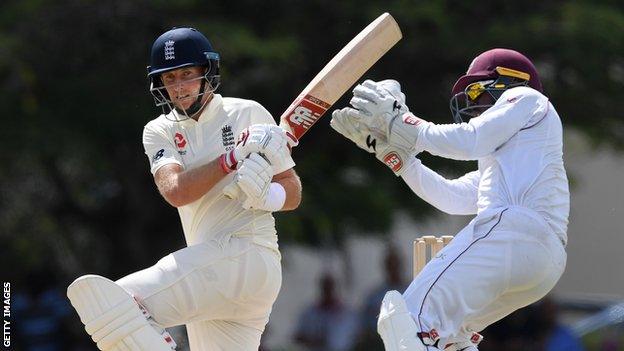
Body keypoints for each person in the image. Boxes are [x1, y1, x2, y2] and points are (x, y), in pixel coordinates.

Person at [66, 27, 302, 351]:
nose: (179, 87)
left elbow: (292, 190)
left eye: (187, 74)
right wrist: (232, 158)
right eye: (170, 78)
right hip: (214, 274)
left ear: (207, 72)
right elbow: (175, 191)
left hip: (248, 254)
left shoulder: (247, 112)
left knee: (113, 306)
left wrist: (267, 195)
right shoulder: (158, 131)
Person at [331, 48, 569, 350]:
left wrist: (402, 123)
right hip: (542, 264)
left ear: (509, 82)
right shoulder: (514, 161)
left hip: (516, 233)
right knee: (450, 339)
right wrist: (398, 158)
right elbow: (452, 197)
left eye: (477, 92)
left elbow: (469, 140)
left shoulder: (527, 97)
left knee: (405, 317)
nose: (473, 105)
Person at [293, 274, 359, 351]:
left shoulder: (348, 314)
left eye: (330, 288)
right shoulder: (309, 313)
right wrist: (312, 340)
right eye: (325, 288)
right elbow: (297, 337)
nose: (328, 291)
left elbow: (358, 336)